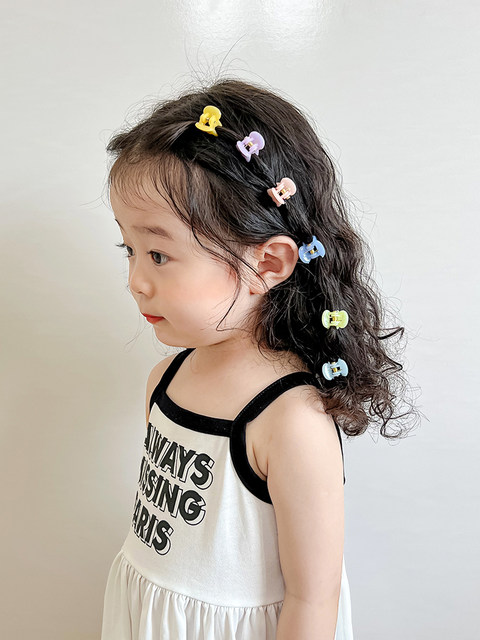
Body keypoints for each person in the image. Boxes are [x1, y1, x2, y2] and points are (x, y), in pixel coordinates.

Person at [100, 78, 419, 640]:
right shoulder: (164, 382)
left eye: (159, 254)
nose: (136, 282)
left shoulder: (291, 421)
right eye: (130, 250)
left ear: (268, 264)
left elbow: (312, 598)